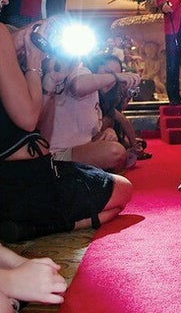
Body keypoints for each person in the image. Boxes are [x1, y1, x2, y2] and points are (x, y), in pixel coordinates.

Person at [0, 18, 132, 243]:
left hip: (38, 170)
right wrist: (33, 63)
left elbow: (37, 131)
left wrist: (49, 80)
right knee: (123, 190)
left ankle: (38, 226)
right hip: (24, 181)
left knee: (117, 184)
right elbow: (29, 121)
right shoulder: (5, 39)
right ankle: (45, 227)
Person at [38, 51, 141, 172]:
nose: (112, 80)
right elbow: (77, 86)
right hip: (56, 154)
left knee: (115, 150)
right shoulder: (81, 72)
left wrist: (108, 132)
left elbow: (89, 136)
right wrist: (116, 76)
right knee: (115, 152)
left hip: (76, 151)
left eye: (116, 74)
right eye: (108, 72)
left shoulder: (97, 100)